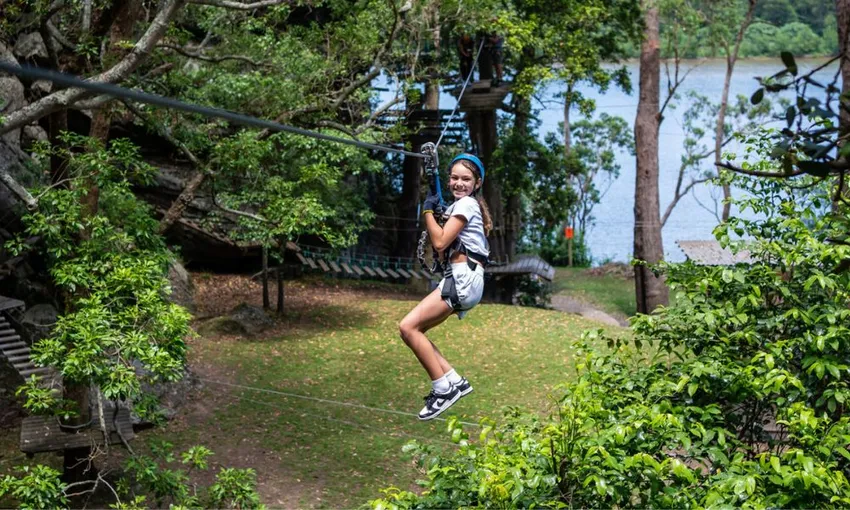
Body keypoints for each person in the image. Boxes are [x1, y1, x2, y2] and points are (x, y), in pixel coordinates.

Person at [399, 154, 493, 421]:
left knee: (407, 327)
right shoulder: (460, 207)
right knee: (417, 331)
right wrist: (438, 212)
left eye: (466, 179)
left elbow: (439, 243)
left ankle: (443, 389)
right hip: (466, 280)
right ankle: (454, 380)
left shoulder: (467, 205)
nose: (458, 183)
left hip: (463, 279)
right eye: (454, 177)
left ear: (477, 183)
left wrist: (427, 210)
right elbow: (443, 251)